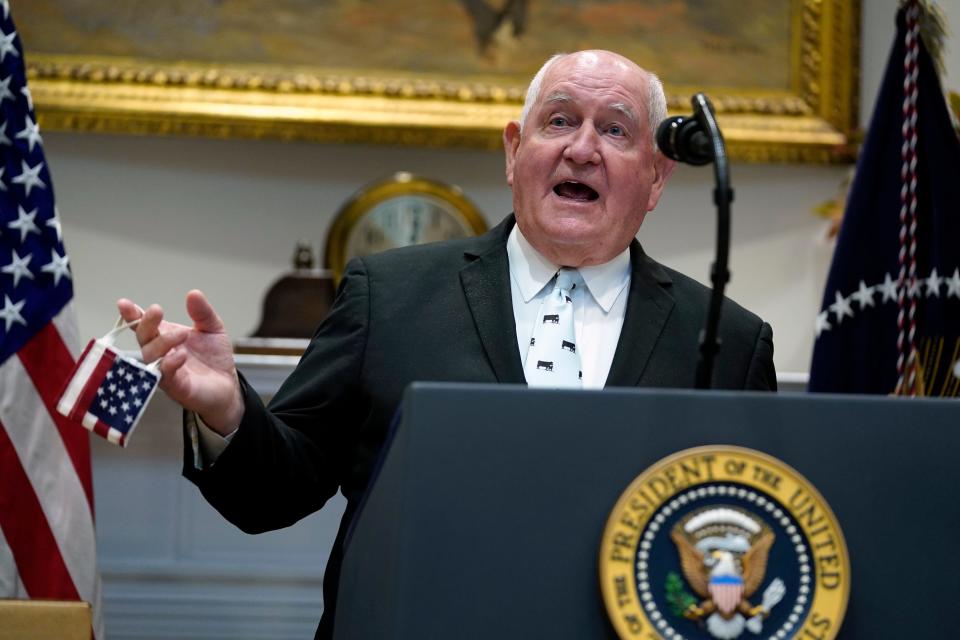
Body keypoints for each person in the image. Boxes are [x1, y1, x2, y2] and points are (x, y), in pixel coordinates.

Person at [118, 50, 775, 639]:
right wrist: (227, 410)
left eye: (614, 129)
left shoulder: (729, 341)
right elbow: (272, 497)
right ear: (514, 151)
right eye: (558, 121)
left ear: (657, 177)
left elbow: (745, 539)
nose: (582, 149)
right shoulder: (392, 294)